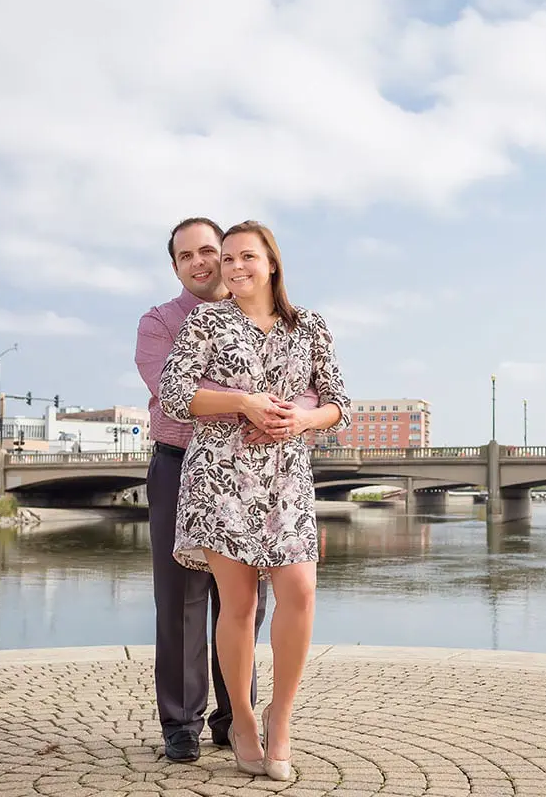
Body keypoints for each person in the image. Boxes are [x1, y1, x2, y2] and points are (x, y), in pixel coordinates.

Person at [159, 220, 350, 780]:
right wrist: (242, 401)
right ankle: (241, 716)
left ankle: (280, 715)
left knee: (301, 589)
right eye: (229, 259)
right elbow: (174, 394)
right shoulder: (204, 321)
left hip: (287, 475)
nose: (235, 266)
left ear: (272, 263)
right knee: (237, 606)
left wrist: (303, 418)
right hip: (219, 476)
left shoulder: (309, 326)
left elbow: (338, 401)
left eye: (247, 256)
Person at [135, 217, 305, 762]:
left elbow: (307, 387)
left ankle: (236, 719)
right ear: (177, 267)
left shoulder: (273, 319)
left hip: (255, 472)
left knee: (244, 603)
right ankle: (180, 724)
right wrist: (250, 403)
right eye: (187, 257)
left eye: (211, 250)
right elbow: (174, 390)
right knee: (181, 601)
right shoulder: (161, 322)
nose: (203, 263)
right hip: (180, 461)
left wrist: (292, 414)